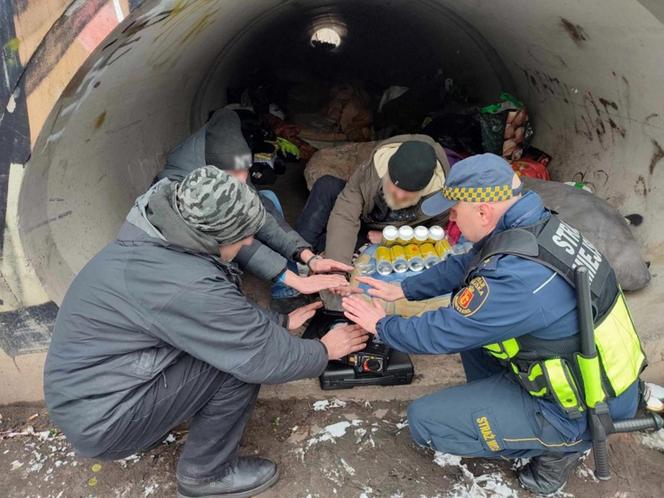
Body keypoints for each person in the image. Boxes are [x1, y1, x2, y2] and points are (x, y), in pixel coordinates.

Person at [43, 167, 369, 498]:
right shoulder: (184, 283)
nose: (248, 242)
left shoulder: (165, 223)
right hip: (105, 420)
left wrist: (281, 320)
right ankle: (206, 475)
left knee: (232, 345)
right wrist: (325, 350)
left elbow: (214, 317)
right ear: (214, 236)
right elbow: (259, 355)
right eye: (243, 237)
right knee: (236, 367)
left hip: (91, 395)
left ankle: (158, 423)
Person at [341, 153, 645, 495]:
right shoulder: (537, 225)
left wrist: (381, 324)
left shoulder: (519, 278)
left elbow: (442, 331)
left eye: (455, 210)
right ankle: (509, 405)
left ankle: (559, 452)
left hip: (578, 410)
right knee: (477, 337)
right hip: (595, 375)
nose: (451, 218)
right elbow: (467, 263)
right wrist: (405, 287)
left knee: (424, 420)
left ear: (483, 211)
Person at [158, 108, 351, 305]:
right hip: (193, 261)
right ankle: (281, 282)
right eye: (236, 178)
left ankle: (289, 274)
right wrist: (292, 280)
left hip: (224, 234)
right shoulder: (178, 185)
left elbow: (257, 209)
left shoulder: (229, 155)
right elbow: (234, 238)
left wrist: (308, 257)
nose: (243, 180)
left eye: (245, 173)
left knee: (267, 198)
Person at [296, 135, 451, 265]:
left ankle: (320, 260)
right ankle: (299, 261)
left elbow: (434, 238)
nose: (398, 196)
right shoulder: (373, 170)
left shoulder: (440, 199)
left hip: (384, 236)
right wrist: (337, 270)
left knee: (338, 248)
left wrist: (389, 238)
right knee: (326, 185)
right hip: (363, 215)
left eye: (407, 194)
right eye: (394, 188)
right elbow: (345, 215)